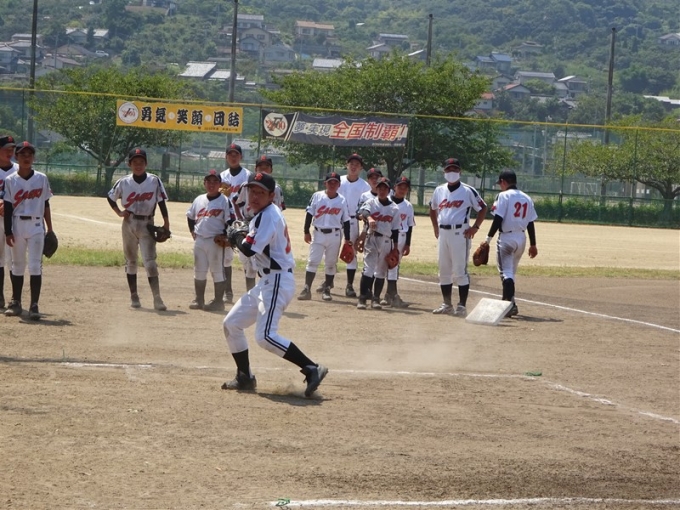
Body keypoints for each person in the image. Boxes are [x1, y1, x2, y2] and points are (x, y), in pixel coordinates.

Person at [221, 172, 328, 397]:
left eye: (260, 192)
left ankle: (311, 367)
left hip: (277, 280)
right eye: (252, 191)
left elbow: (248, 249)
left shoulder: (268, 215)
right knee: (232, 324)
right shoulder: (262, 215)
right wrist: (241, 234)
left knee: (265, 336)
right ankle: (244, 376)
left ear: (271, 195)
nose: (254, 196)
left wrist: (237, 236)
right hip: (268, 281)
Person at [107, 148, 170, 311]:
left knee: (150, 262)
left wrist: (166, 223)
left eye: (141, 162)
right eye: (135, 162)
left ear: (146, 163)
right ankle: (134, 295)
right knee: (131, 261)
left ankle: (157, 298)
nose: (138, 165)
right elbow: (110, 197)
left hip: (147, 223)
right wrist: (119, 212)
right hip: (129, 223)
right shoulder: (124, 182)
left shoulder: (154, 181)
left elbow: (161, 202)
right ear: (129, 164)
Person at [429, 157, 488, 317]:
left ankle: (461, 306)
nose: (452, 172)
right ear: (444, 172)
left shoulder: (468, 190)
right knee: (444, 270)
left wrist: (475, 227)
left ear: (460, 172)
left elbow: (483, 208)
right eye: (449, 169)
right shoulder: (439, 190)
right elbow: (432, 208)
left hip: (460, 233)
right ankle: (447, 304)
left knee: (459, 270)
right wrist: (435, 227)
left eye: (455, 169)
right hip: (443, 233)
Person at [3, 141, 53, 320]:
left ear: (33, 158)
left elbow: (46, 204)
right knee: (17, 265)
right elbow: (8, 207)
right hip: (17, 224)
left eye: (29, 154)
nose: (26, 157)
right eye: (22, 154)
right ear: (16, 157)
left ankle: (34, 305)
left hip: (36, 225)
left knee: (34, 265)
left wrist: (50, 230)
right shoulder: (10, 180)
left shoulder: (41, 178)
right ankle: (16, 302)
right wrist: (8, 232)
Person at [484, 170, 538, 317]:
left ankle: (511, 304)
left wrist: (488, 239)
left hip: (506, 238)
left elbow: (498, 219)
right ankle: (506, 301)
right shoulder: (527, 198)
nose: (500, 186)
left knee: (506, 273)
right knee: (511, 273)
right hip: (521, 238)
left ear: (503, 181)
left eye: (500, 183)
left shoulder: (503, 196)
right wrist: (533, 244)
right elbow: (530, 223)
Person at [186, 169, 235, 312]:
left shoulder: (224, 201)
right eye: (208, 181)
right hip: (200, 240)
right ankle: (199, 300)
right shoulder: (199, 199)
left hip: (216, 241)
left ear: (220, 184)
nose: (211, 184)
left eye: (215, 181)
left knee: (217, 271)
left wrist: (226, 235)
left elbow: (231, 221)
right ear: (204, 183)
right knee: (199, 270)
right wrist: (192, 231)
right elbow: (190, 216)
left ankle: (218, 302)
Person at [298, 171, 351, 302]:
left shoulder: (342, 200)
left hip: (335, 234)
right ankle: (306, 289)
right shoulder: (317, 196)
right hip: (318, 233)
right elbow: (309, 214)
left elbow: (346, 221)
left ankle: (327, 289)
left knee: (331, 263)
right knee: (312, 261)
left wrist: (348, 239)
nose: (332, 185)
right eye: (329, 182)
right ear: (325, 184)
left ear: (339, 185)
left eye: (335, 183)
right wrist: (306, 231)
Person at [356, 177, 400, 309]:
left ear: (389, 190)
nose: (382, 190)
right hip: (372, 238)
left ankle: (376, 299)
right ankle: (362, 299)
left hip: (386, 241)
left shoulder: (394, 208)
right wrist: (369, 218)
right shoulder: (371, 202)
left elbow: (395, 230)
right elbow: (362, 211)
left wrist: (395, 248)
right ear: (377, 189)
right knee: (368, 269)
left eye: (384, 188)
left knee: (381, 271)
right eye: (380, 188)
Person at [219, 143, 251, 301]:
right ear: (226, 157)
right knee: (226, 257)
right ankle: (228, 293)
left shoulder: (248, 175)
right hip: (227, 219)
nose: (233, 157)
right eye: (230, 154)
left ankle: (250, 294)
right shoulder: (222, 176)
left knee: (247, 258)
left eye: (236, 154)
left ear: (241, 156)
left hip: (244, 219)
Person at [337, 153, 371, 298]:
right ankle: (328, 281)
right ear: (347, 165)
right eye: (351, 163)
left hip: (352, 220)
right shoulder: (338, 181)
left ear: (361, 168)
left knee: (351, 251)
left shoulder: (364, 186)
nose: (354, 166)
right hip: (335, 219)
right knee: (330, 251)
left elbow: (366, 207)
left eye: (357, 164)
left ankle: (349, 285)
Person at [382, 175, 415, 308]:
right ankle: (391, 295)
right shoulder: (386, 201)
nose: (402, 189)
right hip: (387, 236)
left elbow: (410, 226)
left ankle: (390, 295)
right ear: (394, 187)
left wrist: (408, 244)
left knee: (393, 265)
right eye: (400, 186)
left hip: (401, 237)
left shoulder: (408, 206)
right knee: (383, 265)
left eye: (405, 187)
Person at [0, 135, 19, 309]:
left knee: (14, 258)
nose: (10, 151)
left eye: (12, 148)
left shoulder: (20, 170)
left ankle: (15, 298)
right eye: (6, 148)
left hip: (14, 220)